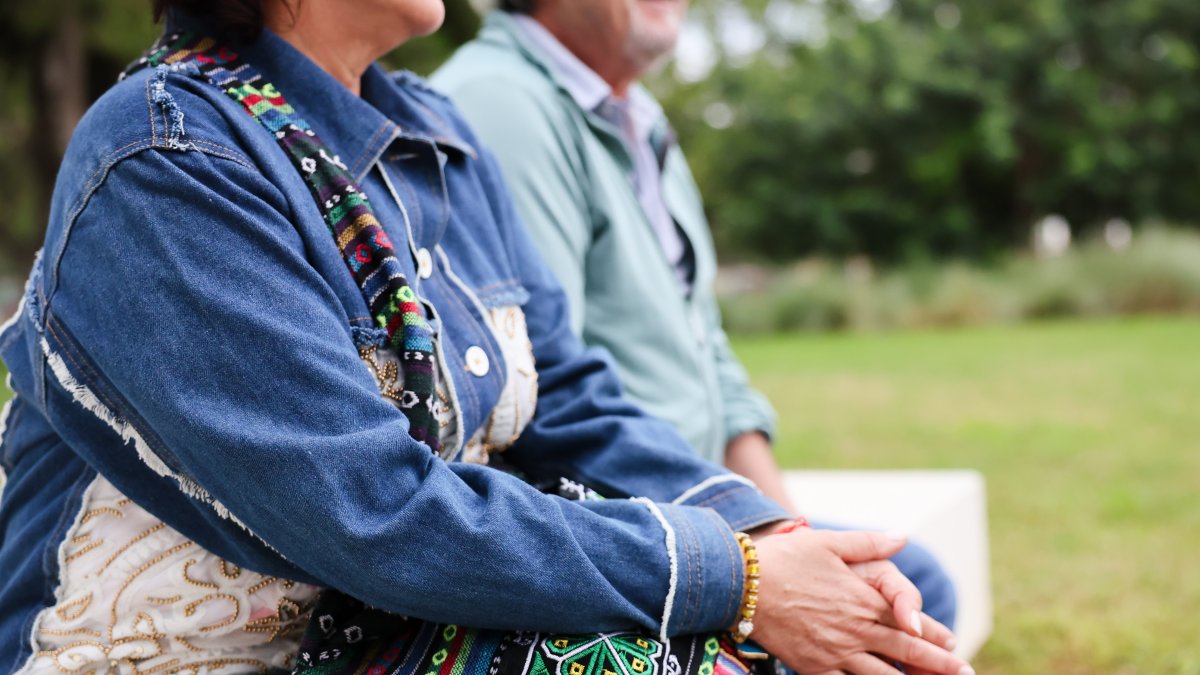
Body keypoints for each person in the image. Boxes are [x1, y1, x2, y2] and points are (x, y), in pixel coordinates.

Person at [0, 2, 970, 675]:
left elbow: (578, 404)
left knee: (897, 591)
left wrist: (773, 535)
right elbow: (370, 513)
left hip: (377, 620)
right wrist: (741, 578)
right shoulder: (168, 159)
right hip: (203, 651)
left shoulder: (434, 132)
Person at [433, 0, 958, 630]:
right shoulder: (499, 105)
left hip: (700, 507)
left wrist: (788, 530)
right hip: (616, 527)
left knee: (913, 582)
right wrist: (756, 563)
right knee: (895, 606)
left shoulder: (640, 118)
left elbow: (710, 350)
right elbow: (543, 393)